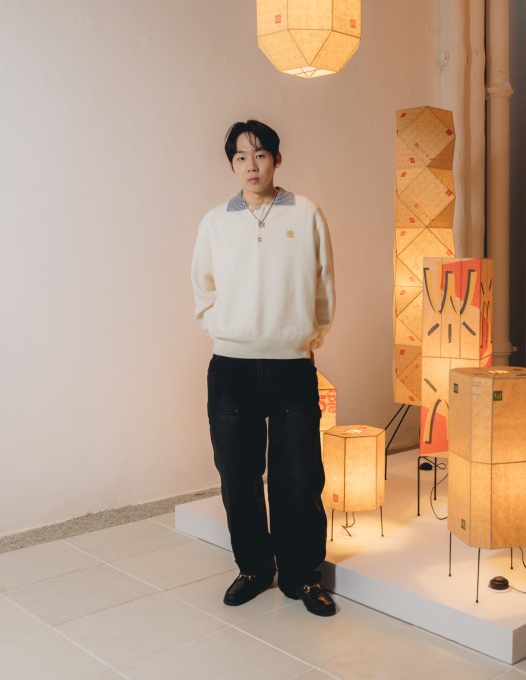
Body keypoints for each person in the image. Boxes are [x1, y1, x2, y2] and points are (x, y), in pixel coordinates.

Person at [191, 120, 337, 617]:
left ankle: (302, 575)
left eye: (260, 156)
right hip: (230, 366)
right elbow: (202, 288)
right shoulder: (215, 221)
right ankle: (254, 568)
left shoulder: (307, 212)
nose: (251, 166)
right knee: (237, 474)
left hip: (292, 365)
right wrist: (227, 330)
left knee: (299, 476)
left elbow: (324, 289)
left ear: (277, 158)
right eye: (240, 158)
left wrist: (304, 340)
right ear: (231, 164)